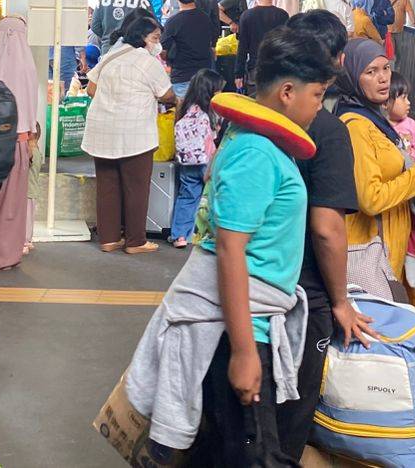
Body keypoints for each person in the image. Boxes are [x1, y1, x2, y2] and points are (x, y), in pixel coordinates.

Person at [124, 27, 334, 467]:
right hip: (240, 333)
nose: (320, 105)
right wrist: (242, 354)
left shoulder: (261, 145)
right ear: (288, 91)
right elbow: (229, 251)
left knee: (222, 452)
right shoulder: (256, 152)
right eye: (317, 95)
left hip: (247, 326)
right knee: (253, 455)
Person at [274, 10, 374, 458]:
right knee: (290, 419)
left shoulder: (248, 120)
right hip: (305, 295)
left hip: (254, 292)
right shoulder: (328, 131)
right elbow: (327, 228)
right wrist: (340, 301)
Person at [335, 38, 415, 306]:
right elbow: (371, 198)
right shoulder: (357, 126)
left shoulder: (377, 120)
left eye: (386, 68)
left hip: (388, 248)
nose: (382, 78)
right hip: (369, 251)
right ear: (353, 77)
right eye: (370, 72)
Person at [84, 10, 177, 254]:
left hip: (102, 129)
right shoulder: (148, 62)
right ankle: (135, 241)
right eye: (155, 38)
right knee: (136, 187)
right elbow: (167, 94)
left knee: (107, 186)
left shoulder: (111, 55)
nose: (158, 44)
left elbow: (91, 90)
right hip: (134, 133)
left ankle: (108, 239)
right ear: (143, 37)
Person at [0, 15, 41, 271]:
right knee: (10, 203)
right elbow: (30, 108)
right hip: (17, 142)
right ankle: (1, 254)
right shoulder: (27, 66)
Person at [170, 68, 222, 248]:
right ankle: (202, 234)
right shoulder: (211, 110)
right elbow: (215, 135)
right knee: (211, 197)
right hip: (206, 161)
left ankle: (179, 236)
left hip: (187, 160)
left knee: (187, 197)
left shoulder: (185, 107)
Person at [386, 70, 415, 264]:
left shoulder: (413, 126)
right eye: (402, 98)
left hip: (412, 182)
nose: (408, 103)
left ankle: (412, 255)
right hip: (393, 185)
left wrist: (414, 160)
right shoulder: (380, 127)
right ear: (386, 102)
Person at [162, 0, 220, 98]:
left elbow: (163, 50)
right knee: (203, 114)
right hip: (203, 78)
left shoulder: (172, 22)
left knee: (184, 114)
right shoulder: (205, 19)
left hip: (181, 76)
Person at [235, 0, 289, 91]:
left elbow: (242, 47)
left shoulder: (247, 16)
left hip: (255, 67)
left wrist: (238, 74)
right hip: (277, 67)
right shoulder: (283, 15)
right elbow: (287, 44)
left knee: (254, 103)